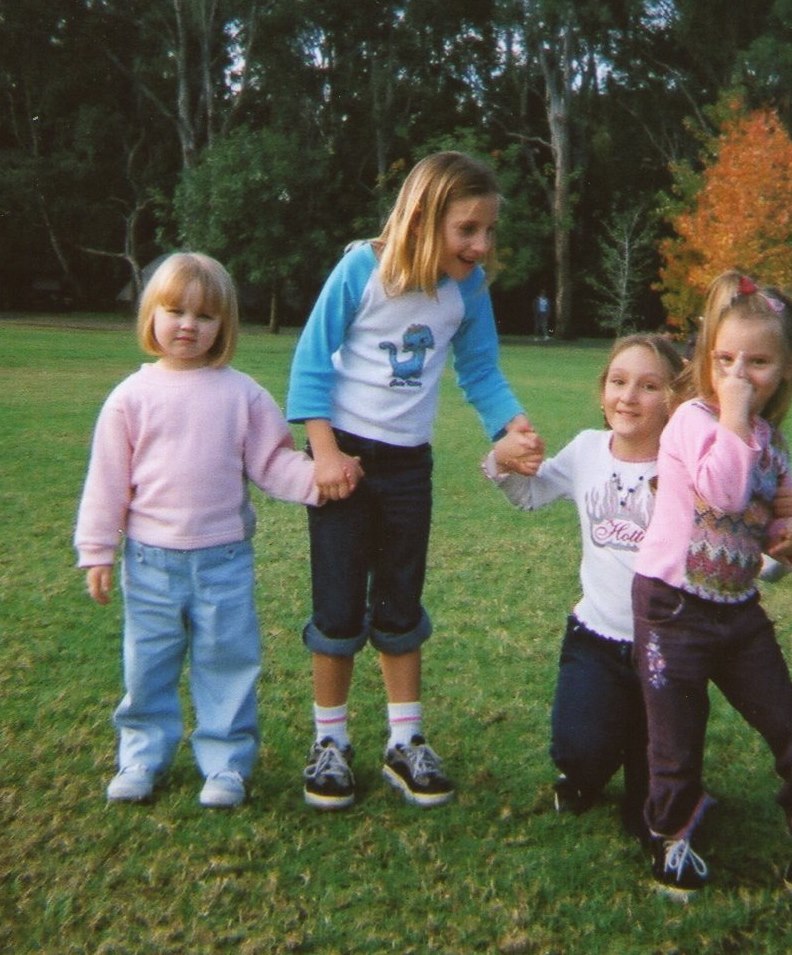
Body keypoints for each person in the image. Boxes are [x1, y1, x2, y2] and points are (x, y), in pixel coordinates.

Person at [286, 151, 542, 810]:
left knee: (400, 602)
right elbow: (311, 362)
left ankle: (405, 740)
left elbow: (480, 370)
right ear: (424, 218)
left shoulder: (469, 290)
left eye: (489, 231)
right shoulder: (361, 271)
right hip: (344, 461)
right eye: (467, 230)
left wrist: (508, 428)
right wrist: (324, 454)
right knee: (338, 606)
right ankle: (330, 741)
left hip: (408, 468)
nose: (481, 245)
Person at [74, 252, 335, 809]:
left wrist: (321, 479)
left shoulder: (243, 394)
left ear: (224, 326)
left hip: (223, 561)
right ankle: (141, 755)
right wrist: (97, 551)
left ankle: (225, 765)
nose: (188, 325)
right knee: (148, 663)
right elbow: (106, 483)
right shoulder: (129, 398)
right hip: (149, 562)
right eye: (175, 311)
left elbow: (272, 464)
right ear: (151, 317)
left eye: (204, 316)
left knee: (227, 663)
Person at [483, 334, 684, 841]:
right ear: (601, 393)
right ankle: (589, 764)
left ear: (674, 399)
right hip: (595, 637)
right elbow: (530, 495)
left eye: (648, 385)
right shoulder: (587, 451)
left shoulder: (685, 467)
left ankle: (648, 760)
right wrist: (502, 462)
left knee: (650, 809)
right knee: (578, 751)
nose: (628, 396)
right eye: (618, 382)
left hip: (666, 649)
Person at [632, 271, 792, 898]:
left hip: (736, 608)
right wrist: (733, 415)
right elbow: (724, 494)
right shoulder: (694, 423)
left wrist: (785, 534)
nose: (740, 374)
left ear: (782, 369)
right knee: (676, 734)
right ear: (704, 360)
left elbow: (777, 507)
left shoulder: (772, 443)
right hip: (672, 608)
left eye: (758, 362)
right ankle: (670, 839)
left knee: (782, 715)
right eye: (725, 359)